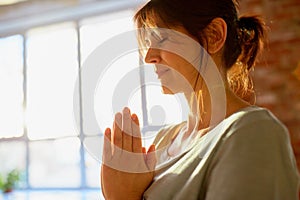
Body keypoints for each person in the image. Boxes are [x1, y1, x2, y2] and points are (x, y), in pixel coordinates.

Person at [100, 0, 299, 199]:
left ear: (214, 36)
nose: (148, 57)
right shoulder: (163, 140)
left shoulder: (253, 131)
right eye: (147, 44)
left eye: (161, 39)